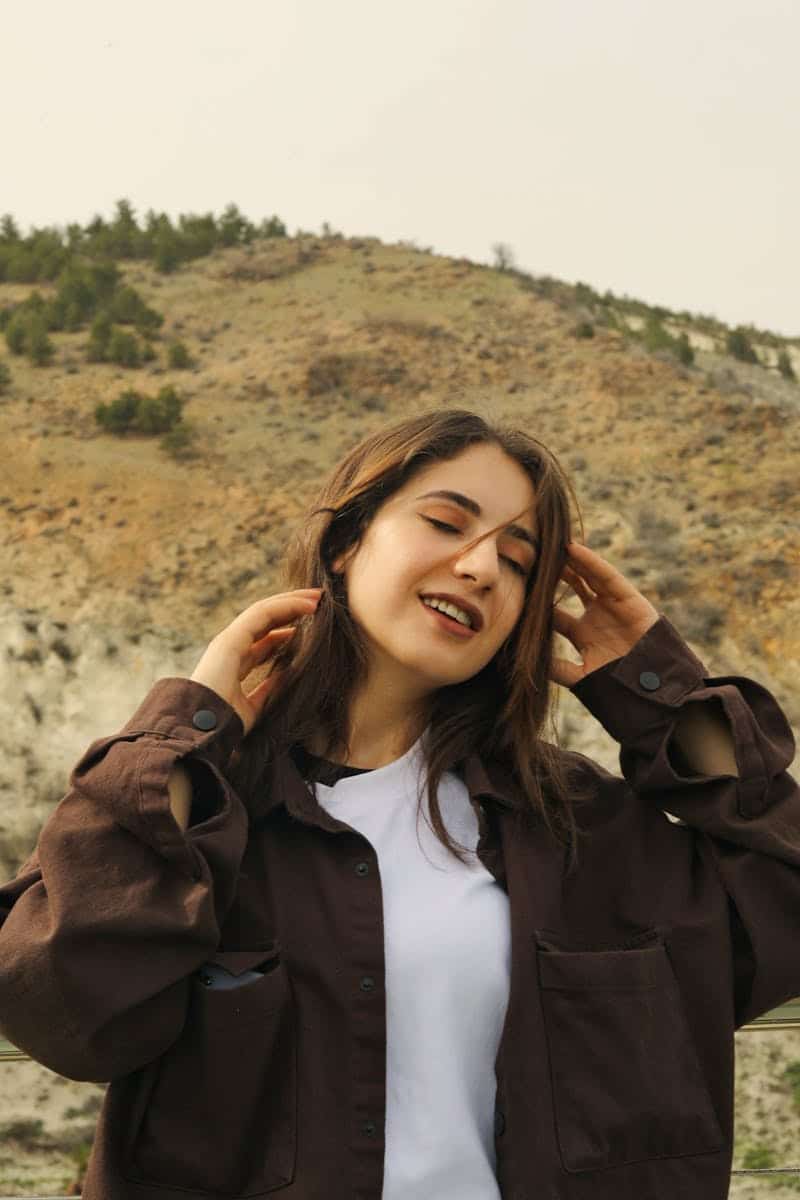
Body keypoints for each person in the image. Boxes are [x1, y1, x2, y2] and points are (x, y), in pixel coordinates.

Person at [0, 406, 797, 1200]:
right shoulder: (204, 810)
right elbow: (59, 1008)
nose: (482, 567)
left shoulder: (572, 823)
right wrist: (187, 731)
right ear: (345, 543)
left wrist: (661, 692)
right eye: (447, 522)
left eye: (519, 564)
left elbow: (783, 897)